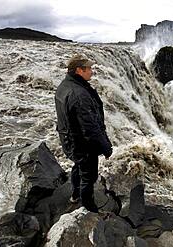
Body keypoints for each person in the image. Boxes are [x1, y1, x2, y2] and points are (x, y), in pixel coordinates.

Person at [55, 54, 112, 213]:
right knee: (89, 176)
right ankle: (90, 209)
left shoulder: (64, 85)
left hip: (68, 140)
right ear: (79, 70)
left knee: (78, 166)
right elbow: (90, 128)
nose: (92, 71)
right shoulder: (79, 95)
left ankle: (74, 195)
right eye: (89, 69)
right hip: (82, 145)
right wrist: (106, 147)